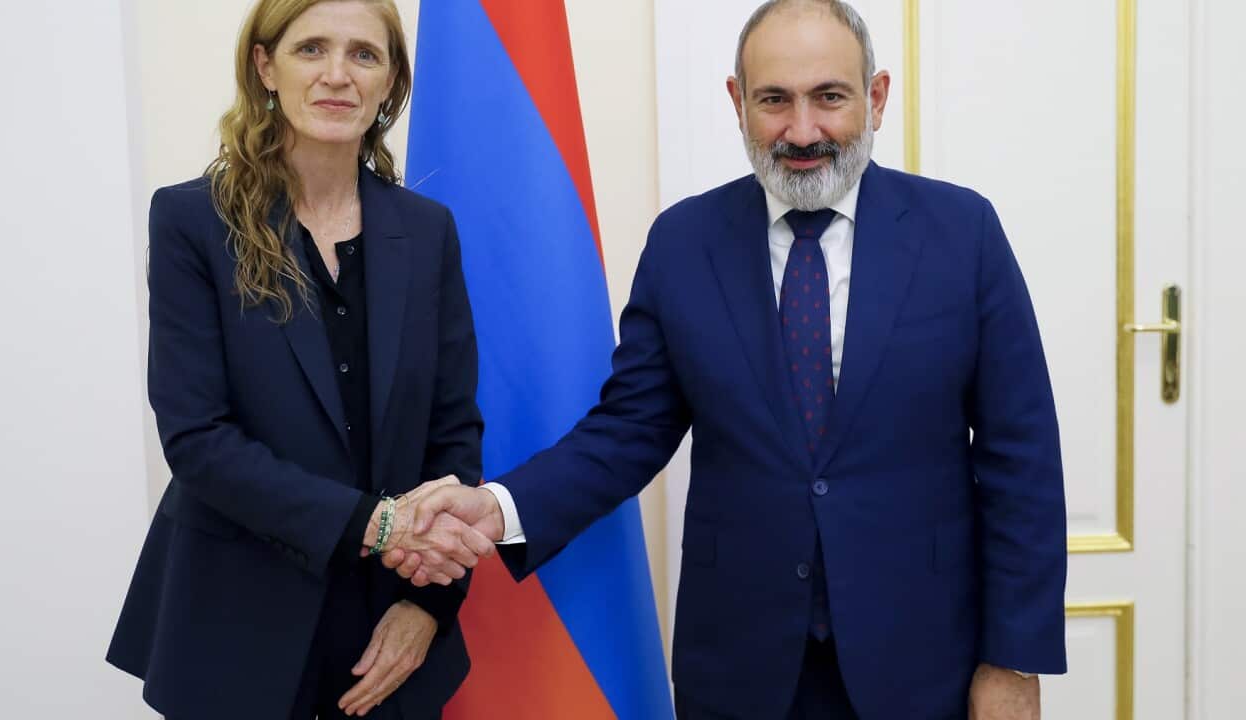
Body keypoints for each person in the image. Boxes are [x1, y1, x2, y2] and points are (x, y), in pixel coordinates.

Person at [386, 1, 1068, 719]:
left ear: (876, 97)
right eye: (775, 100)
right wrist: (498, 509)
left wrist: (1013, 659)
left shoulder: (963, 235)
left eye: (829, 97)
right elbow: (627, 433)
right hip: (742, 667)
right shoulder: (684, 244)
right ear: (738, 104)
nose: (802, 131)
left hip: (925, 660)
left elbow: (1020, 459)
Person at [106, 1, 494, 718]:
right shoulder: (193, 221)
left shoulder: (427, 230)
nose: (338, 76)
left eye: (364, 56)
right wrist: (376, 527)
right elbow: (197, 439)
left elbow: (452, 430)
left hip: (390, 623)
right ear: (266, 66)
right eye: (311, 49)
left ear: (390, 82)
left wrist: (430, 603)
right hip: (237, 624)